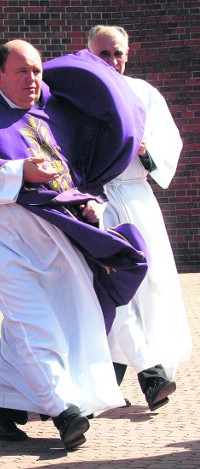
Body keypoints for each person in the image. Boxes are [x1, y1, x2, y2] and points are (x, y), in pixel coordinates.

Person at [0, 40, 148, 450]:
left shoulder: (50, 113)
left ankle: (3, 411)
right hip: (4, 241)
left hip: (55, 239)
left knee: (31, 323)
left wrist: (87, 204)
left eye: (37, 71)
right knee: (35, 322)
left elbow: (70, 174)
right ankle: (64, 410)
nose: (33, 80)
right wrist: (21, 171)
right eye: (22, 72)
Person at [87, 25, 192, 410]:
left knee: (154, 285)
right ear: (88, 53)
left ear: (128, 53)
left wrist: (147, 151)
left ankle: (152, 369)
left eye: (117, 53)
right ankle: (123, 378)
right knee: (112, 287)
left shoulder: (145, 92)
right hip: (97, 202)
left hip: (137, 196)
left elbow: (169, 142)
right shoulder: (78, 94)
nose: (112, 61)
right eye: (103, 54)